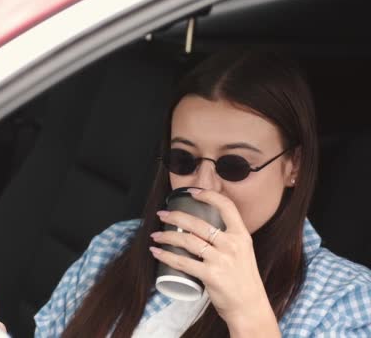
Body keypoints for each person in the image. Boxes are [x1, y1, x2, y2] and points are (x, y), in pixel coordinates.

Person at [33, 48, 371, 337]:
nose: (203, 185)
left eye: (234, 165)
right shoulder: (114, 248)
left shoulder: (346, 298)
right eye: (184, 159)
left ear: (293, 166)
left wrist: (248, 312)